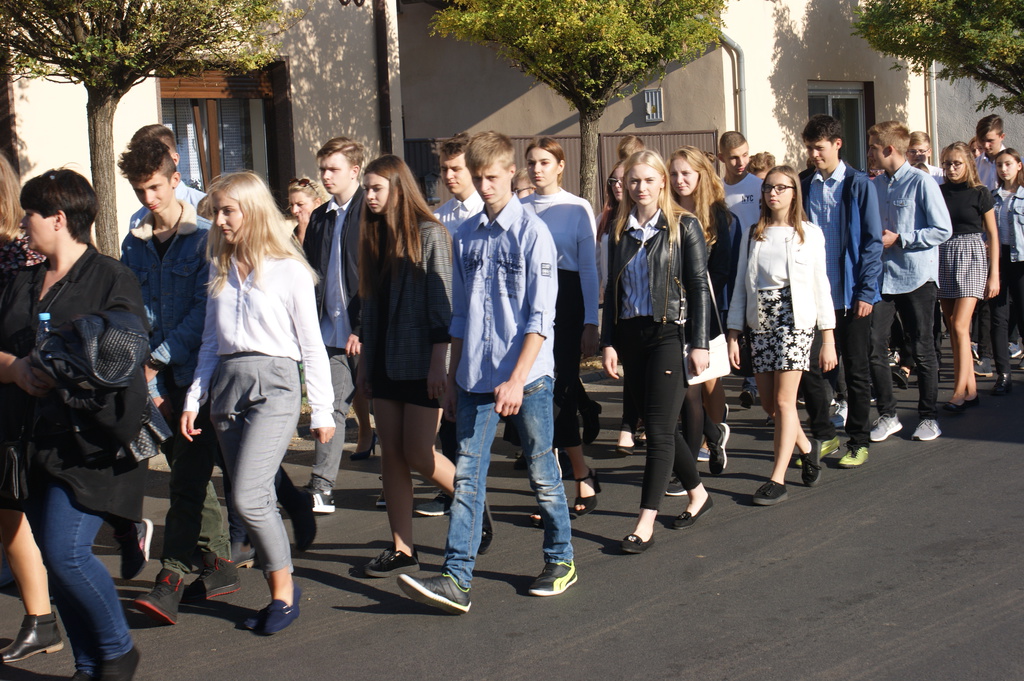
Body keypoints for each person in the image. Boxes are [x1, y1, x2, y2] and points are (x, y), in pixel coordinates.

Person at [398, 131, 577, 613]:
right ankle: (456, 578)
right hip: (474, 377)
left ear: (511, 173)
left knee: (541, 471)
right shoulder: (466, 235)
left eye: (492, 177)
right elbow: (460, 316)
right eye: (478, 178)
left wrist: (517, 379)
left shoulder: (533, 234)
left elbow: (540, 318)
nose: (484, 186)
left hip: (528, 377)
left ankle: (561, 558)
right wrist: (453, 377)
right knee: (468, 478)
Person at [0, 169, 144, 679]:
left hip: (91, 444)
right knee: (54, 560)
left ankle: (118, 650)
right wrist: (15, 369)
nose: (23, 224)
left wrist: (66, 364)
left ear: (58, 219)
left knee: (66, 555)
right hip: (31, 443)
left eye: (31, 215)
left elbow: (125, 354)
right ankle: (87, 664)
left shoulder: (111, 278)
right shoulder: (20, 280)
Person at [181, 171, 334, 635]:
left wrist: (322, 409)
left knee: (247, 497)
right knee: (256, 497)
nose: (220, 220)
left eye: (228, 211)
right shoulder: (220, 268)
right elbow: (211, 343)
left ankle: (285, 593)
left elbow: (311, 344)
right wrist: (194, 398)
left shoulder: (289, 269)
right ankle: (277, 594)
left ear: (252, 210)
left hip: (276, 385)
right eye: (217, 212)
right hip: (226, 388)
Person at [117, 137, 239, 625]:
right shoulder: (134, 243)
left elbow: (205, 313)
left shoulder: (207, 237)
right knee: (189, 475)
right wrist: (147, 379)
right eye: (139, 190)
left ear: (175, 179)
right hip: (153, 380)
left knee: (186, 481)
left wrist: (158, 361)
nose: (148, 198)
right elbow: (131, 312)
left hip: (198, 379)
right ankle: (220, 563)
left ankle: (169, 577)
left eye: (154, 187)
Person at [601, 149, 713, 552]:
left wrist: (699, 343)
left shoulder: (684, 225)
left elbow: (698, 286)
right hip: (631, 336)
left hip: (670, 332)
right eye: (633, 181)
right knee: (657, 421)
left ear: (662, 181)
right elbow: (613, 291)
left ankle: (644, 522)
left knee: (659, 431)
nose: (640, 187)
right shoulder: (620, 229)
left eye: (649, 180)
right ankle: (698, 493)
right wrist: (608, 341)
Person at [355, 154, 457, 576]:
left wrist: (439, 364)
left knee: (418, 452)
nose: (369, 196)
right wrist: (365, 367)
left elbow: (443, 305)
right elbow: (370, 310)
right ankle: (402, 547)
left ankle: (471, 503)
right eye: (366, 189)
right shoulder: (374, 236)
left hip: (421, 361)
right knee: (392, 457)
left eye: (376, 188)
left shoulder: (431, 233)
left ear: (399, 188)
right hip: (383, 362)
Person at [728, 165, 837, 504]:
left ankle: (777, 479)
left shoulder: (809, 233)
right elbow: (740, 286)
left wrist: (828, 339)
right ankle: (806, 448)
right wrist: (733, 332)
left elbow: (821, 286)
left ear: (794, 193)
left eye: (780, 187)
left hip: (796, 321)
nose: (772, 193)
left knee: (784, 402)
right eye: (768, 188)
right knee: (769, 405)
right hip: (760, 321)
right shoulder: (753, 233)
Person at [0, 153, 63, 666]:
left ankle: (43, 617)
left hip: (19, 396)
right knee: (8, 511)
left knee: (14, 506)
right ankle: (40, 618)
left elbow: (32, 336)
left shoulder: (21, 255)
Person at [798, 114, 884, 470]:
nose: (813, 155)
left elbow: (872, 242)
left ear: (837, 144)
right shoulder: (804, 184)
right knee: (810, 369)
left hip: (851, 297)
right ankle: (824, 434)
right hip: (814, 297)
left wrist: (866, 291)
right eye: (809, 148)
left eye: (819, 148)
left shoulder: (858, 184)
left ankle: (858, 440)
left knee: (856, 369)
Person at [522, 137, 600, 517]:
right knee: (537, 396)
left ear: (560, 165)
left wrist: (591, 321)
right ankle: (552, 487)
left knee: (560, 394)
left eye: (544, 162)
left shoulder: (577, 207)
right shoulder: (519, 208)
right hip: (531, 303)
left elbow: (588, 268)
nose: (537, 169)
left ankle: (581, 473)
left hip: (567, 305)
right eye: (532, 162)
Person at [867, 121, 952, 443]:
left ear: (889, 149)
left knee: (922, 347)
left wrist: (901, 238)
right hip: (882, 278)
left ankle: (928, 417)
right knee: (874, 345)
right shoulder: (875, 185)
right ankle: (888, 415)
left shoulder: (921, 182)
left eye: (873, 147)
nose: (869, 153)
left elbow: (942, 229)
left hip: (917, 277)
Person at [417, 132, 485, 519]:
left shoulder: (487, 213)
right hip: (451, 324)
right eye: (444, 169)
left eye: (456, 168)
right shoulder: (439, 218)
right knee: (449, 404)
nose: (449, 176)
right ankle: (454, 489)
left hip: (483, 325)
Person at [300, 137, 368, 513]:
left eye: (333, 169)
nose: (325, 176)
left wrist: (363, 325)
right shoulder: (321, 217)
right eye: (322, 169)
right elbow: (311, 273)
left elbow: (376, 275)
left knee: (386, 414)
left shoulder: (370, 211)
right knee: (330, 407)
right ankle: (322, 486)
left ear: (354, 171)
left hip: (367, 332)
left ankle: (395, 483)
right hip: (330, 332)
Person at [668, 146, 735, 475]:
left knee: (704, 382)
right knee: (685, 388)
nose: (679, 180)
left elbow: (721, 270)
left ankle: (710, 436)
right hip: (671, 311)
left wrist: (699, 301)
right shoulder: (666, 211)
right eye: (674, 174)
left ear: (701, 175)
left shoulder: (717, 214)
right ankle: (709, 432)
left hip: (703, 311)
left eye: (686, 173)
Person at [937, 141, 999, 410]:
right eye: (947, 164)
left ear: (968, 164)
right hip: (944, 255)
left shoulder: (980, 193)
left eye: (957, 163)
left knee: (961, 325)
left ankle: (959, 392)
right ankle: (971, 389)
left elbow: (993, 234)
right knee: (952, 325)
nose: (951, 168)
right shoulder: (939, 192)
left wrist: (994, 274)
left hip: (972, 255)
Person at [719, 131, 763, 409]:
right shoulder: (716, 190)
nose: (741, 162)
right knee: (730, 326)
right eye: (734, 157)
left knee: (756, 327)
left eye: (745, 155)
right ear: (721, 157)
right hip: (727, 270)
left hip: (757, 268)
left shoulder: (759, 186)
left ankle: (755, 384)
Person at [990, 148, 1024, 393]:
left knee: (1022, 314)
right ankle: (1003, 374)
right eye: (999, 165)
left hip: (1021, 261)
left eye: (1008, 164)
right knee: (998, 318)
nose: (1003, 169)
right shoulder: (992, 197)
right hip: (999, 260)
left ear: (1019, 165)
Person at [128, 124, 206, 231]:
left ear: (174, 160)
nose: (148, 199)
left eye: (156, 157)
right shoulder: (137, 220)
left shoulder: (204, 207)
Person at [287, 177, 329, 245]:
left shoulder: (327, 227)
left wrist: (302, 232)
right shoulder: (297, 230)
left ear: (317, 203)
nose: (294, 211)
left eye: (300, 204)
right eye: (291, 205)